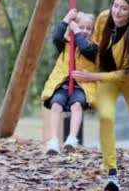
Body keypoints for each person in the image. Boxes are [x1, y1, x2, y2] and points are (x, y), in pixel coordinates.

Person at [72, 0, 129, 191]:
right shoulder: (104, 18)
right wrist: (76, 30)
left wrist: (94, 78)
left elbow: (128, 74)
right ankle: (112, 173)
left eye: (124, 8)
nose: (117, 11)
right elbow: (94, 45)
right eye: (116, 5)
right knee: (106, 117)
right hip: (107, 76)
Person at [41, 9, 98, 154]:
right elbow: (56, 37)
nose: (85, 31)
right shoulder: (66, 44)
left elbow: (84, 48)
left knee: (77, 106)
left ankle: (72, 138)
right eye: (81, 27)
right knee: (56, 105)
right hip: (62, 84)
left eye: (88, 28)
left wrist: (77, 31)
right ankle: (53, 140)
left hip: (81, 87)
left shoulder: (93, 48)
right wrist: (66, 20)